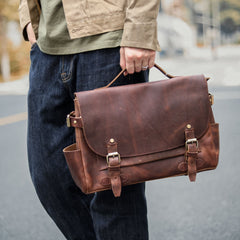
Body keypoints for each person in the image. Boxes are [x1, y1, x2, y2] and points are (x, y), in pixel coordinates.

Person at [18, 0, 161, 239]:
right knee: (49, 178)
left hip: (108, 44)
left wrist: (139, 29)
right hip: (47, 46)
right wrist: (27, 18)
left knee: (115, 186)